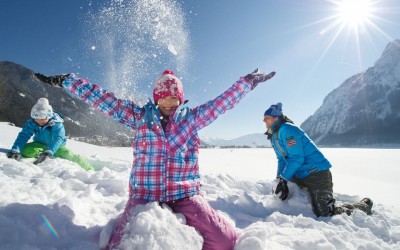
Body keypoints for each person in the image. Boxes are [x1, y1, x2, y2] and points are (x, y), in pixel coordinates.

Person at [34, 68, 275, 250]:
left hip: (185, 196)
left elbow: (223, 103)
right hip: (144, 196)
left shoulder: (192, 119)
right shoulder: (138, 117)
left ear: (180, 100)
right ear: (156, 99)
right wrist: (68, 80)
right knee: (118, 246)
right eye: (164, 99)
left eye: (174, 99)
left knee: (225, 240)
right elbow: (102, 99)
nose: (169, 104)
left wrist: (248, 82)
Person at [263, 102, 373, 217]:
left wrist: (284, 178)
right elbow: (281, 160)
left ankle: (364, 206)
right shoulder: (274, 136)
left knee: (325, 213)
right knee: (285, 195)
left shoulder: (287, 129)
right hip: (299, 174)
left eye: (267, 118)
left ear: (276, 118)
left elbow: (297, 157)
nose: (264, 121)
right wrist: (279, 180)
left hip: (316, 173)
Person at [7, 98, 94, 171]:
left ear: (48, 116)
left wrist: (49, 152)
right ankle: (41, 154)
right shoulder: (32, 123)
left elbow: (58, 138)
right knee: (25, 150)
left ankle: (90, 169)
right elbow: (24, 135)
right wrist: (15, 150)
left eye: (42, 118)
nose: (38, 121)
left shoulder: (57, 124)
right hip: (39, 144)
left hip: (57, 147)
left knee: (69, 155)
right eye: (36, 118)